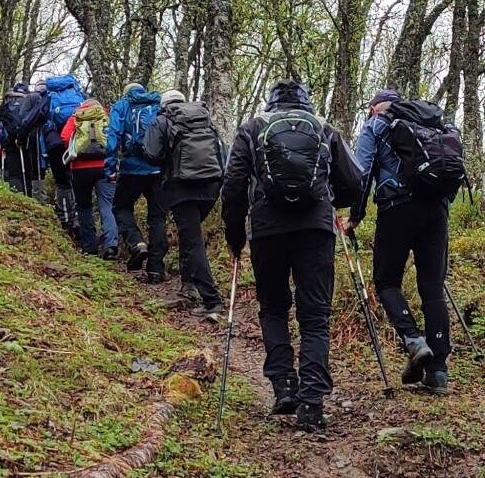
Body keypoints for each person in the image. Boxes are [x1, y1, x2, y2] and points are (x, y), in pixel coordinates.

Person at [221, 79, 363, 432]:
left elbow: (233, 184)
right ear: (306, 103)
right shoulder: (323, 128)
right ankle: (312, 404)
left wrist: (235, 236)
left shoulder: (253, 128)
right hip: (315, 228)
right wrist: (331, 201)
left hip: (267, 228)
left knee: (273, 308)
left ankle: (283, 385)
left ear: (271, 103)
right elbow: (353, 181)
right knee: (315, 316)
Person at [346, 90, 453, 396]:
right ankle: (438, 372)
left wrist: (355, 215)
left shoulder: (376, 125)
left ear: (371, 108)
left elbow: (361, 172)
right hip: (437, 210)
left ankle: (413, 340)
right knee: (432, 288)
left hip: (397, 208)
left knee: (386, 281)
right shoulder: (433, 123)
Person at [143, 90, 225, 316]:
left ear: (164, 104)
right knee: (190, 236)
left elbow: (151, 154)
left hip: (182, 188)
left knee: (192, 241)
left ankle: (212, 301)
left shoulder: (161, 120)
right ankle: (188, 283)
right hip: (211, 186)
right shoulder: (203, 118)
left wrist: (169, 160)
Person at [105, 82, 168, 282]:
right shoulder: (158, 105)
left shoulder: (122, 105)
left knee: (120, 207)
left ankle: (136, 242)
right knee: (157, 219)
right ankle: (156, 270)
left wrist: (110, 168)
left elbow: (113, 136)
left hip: (131, 168)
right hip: (157, 170)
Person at [17, 76, 83, 238]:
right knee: (79, 181)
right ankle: (80, 220)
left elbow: (30, 119)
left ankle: (66, 222)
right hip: (79, 142)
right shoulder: (80, 96)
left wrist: (20, 137)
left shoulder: (49, 97)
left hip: (56, 144)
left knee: (63, 183)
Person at [61, 98, 118, 258]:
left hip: (80, 169)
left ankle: (89, 248)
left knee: (84, 206)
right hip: (104, 166)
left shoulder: (75, 117)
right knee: (107, 205)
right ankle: (111, 246)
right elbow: (115, 139)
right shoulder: (106, 116)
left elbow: (64, 138)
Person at [0, 89, 35, 196]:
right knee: (28, 173)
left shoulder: (7, 105)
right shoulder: (31, 102)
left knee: (14, 174)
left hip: (11, 143)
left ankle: (18, 199)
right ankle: (31, 200)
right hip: (29, 142)